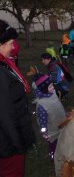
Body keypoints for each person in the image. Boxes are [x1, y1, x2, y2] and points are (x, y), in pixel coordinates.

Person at [0, 19, 36, 176]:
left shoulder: (4, 66)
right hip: (8, 146)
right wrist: (18, 145)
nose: (13, 47)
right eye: (10, 43)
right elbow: (5, 115)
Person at [33, 74, 66, 160]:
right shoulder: (42, 104)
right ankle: (53, 156)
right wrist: (44, 132)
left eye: (52, 85)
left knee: (62, 139)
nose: (53, 88)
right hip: (52, 129)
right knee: (53, 144)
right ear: (44, 89)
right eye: (50, 86)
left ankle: (62, 151)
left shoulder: (52, 93)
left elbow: (57, 106)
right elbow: (42, 121)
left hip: (61, 122)